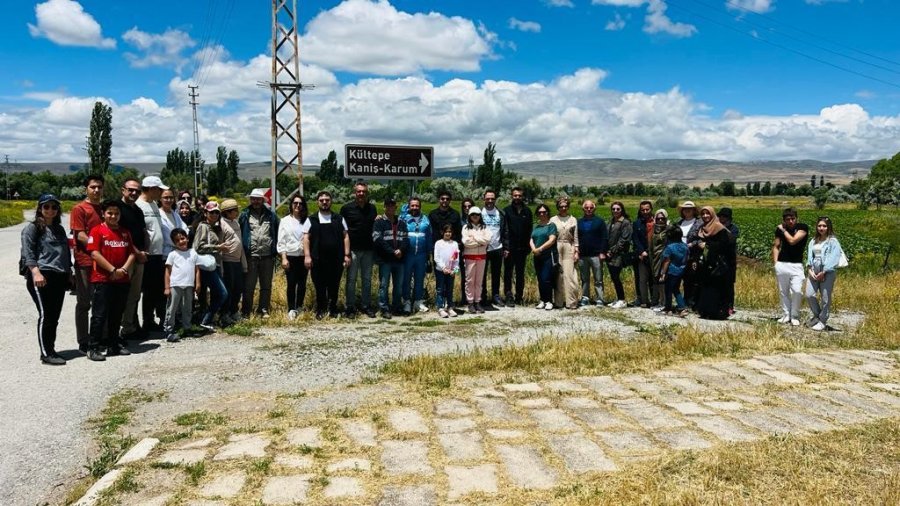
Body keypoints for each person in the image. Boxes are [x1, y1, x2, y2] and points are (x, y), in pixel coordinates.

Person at [22, 194, 73, 365]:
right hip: (41, 275)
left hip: (59, 276)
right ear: (40, 208)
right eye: (46, 207)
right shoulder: (33, 228)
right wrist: (35, 272)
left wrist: (69, 272)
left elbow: (65, 253)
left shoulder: (59, 229)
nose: (50, 210)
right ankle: (46, 353)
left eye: (54, 207)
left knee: (54, 316)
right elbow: (28, 252)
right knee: (46, 315)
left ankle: (51, 349)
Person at [86, 199, 135, 361]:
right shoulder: (96, 231)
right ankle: (93, 347)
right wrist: (112, 270)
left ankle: (113, 344)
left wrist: (123, 270)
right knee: (99, 315)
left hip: (122, 279)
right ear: (103, 214)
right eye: (110, 213)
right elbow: (94, 253)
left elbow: (132, 253)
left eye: (116, 213)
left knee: (116, 314)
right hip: (102, 279)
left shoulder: (125, 232)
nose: (113, 216)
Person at [70, 174, 104, 353]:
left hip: (103, 263)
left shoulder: (104, 209)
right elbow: (80, 235)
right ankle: (83, 340)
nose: (96, 190)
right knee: (84, 302)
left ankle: (99, 337)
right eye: (93, 187)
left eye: (99, 187)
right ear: (86, 189)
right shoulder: (80, 209)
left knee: (101, 301)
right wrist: (97, 247)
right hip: (85, 261)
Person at [303, 191, 351, 319]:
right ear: (317, 202)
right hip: (317, 259)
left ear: (331, 201)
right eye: (322, 200)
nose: (324, 202)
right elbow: (306, 238)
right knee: (319, 285)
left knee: (334, 285)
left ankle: (333, 309)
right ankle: (321, 310)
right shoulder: (311, 219)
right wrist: (307, 256)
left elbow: (345, 236)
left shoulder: (339, 218)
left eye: (327, 200)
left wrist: (347, 255)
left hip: (336, 259)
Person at [239, 189, 280, 318]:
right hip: (251, 256)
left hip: (267, 256)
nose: (256, 201)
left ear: (263, 200)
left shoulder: (271, 216)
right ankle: (246, 311)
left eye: (258, 199)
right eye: (253, 199)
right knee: (249, 286)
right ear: (251, 200)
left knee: (266, 286)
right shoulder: (244, 215)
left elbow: (278, 231)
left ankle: (263, 309)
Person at [136, 176, 168, 333]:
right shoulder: (139, 205)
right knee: (147, 289)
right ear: (151, 189)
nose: (161, 192)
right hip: (148, 254)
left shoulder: (154, 204)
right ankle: (146, 321)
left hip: (158, 253)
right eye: (159, 189)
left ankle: (152, 319)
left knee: (156, 289)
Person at [118, 178, 149, 340]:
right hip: (124, 259)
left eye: (137, 190)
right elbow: (122, 236)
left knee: (135, 295)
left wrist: (145, 251)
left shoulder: (137, 210)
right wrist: (137, 252)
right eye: (130, 190)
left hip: (139, 258)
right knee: (122, 295)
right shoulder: (118, 209)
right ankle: (120, 328)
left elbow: (143, 232)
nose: (134, 193)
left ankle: (130, 327)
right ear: (123, 190)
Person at [341, 182, 378, 318]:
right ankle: (350, 307)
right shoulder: (346, 209)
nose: (361, 194)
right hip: (352, 251)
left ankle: (366, 305)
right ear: (354, 193)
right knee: (351, 280)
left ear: (367, 193)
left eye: (363, 191)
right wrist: (345, 253)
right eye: (359, 191)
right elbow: (343, 232)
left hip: (368, 250)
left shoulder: (372, 208)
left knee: (367, 280)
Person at [193, 201, 229, 329]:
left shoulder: (214, 227)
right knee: (222, 293)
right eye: (211, 212)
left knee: (216, 293)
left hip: (215, 265)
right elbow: (198, 247)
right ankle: (206, 320)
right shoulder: (203, 226)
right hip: (206, 266)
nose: (214, 215)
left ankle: (206, 318)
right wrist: (218, 247)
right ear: (205, 213)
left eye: (217, 212)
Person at [805, 217, 844, 331]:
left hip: (827, 272)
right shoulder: (813, 241)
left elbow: (834, 258)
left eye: (824, 226)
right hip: (814, 271)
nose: (821, 228)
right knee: (809, 294)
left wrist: (824, 271)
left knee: (825, 298)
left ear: (828, 227)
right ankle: (817, 316)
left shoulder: (833, 241)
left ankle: (822, 320)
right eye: (819, 226)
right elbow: (809, 257)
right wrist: (810, 270)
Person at [694, 206, 733, 320]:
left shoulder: (719, 228)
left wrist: (707, 246)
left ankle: (718, 312)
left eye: (708, 214)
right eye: (703, 214)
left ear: (712, 215)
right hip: (706, 263)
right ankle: (706, 311)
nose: (705, 216)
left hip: (717, 264)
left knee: (717, 289)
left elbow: (723, 245)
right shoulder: (703, 228)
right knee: (706, 288)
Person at [772, 207, 809, 326]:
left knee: (797, 291)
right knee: (783, 292)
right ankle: (786, 315)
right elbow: (776, 246)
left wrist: (783, 230)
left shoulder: (803, 228)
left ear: (797, 218)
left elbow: (793, 241)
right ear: (784, 220)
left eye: (793, 218)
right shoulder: (779, 230)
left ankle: (795, 315)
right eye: (788, 219)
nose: (791, 221)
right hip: (782, 264)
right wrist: (776, 263)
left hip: (797, 265)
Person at [163, 228, 200, 343]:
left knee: (187, 307)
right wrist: (167, 287)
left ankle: (187, 327)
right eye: (177, 240)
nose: (181, 241)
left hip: (189, 285)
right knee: (172, 308)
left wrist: (197, 283)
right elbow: (168, 272)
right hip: (175, 285)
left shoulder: (193, 252)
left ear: (187, 239)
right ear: (174, 243)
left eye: (183, 238)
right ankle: (169, 330)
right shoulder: (172, 254)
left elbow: (197, 269)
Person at [373, 197, 408, 318]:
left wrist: (401, 250)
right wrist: (392, 251)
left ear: (396, 207)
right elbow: (377, 239)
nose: (390, 208)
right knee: (384, 285)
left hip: (399, 259)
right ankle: (384, 308)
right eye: (388, 205)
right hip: (385, 259)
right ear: (384, 207)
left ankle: (397, 306)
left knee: (398, 286)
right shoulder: (379, 222)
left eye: (392, 205)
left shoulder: (401, 223)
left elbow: (405, 239)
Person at [277, 195, 310, 320]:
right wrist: (284, 258)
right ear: (291, 205)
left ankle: (299, 306)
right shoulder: (284, 221)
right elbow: (281, 241)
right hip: (290, 256)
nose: (298, 205)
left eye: (300, 203)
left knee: (302, 283)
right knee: (291, 284)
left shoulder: (307, 220)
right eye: (295, 203)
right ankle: (291, 308)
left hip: (303, 256)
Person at [428, 190, 462, 311]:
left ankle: (449, 305)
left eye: (447, 199)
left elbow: (458, 232)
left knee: (449, 285)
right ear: (439, 200)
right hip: (438, 252)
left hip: (452, 252)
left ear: (450, 200)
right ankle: (440, 306)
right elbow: (429, 232)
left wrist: (455, 268)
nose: (445, 201)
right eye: (443, 198)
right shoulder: (432, 214)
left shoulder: (455, 215)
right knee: (440, 284)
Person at [400, 197, 433, 313]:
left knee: (420, 278)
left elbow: (429, 237)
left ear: (420, 207)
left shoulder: (426, 219)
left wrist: (429, 255)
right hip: (408, 254)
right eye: (412, 205)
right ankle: (407, 301)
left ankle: (418, 301)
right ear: (409, 207)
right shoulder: (404, 219)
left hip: (421, 255)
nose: (414, 208)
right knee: (406, 279)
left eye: (417, 206)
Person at [502, 187, 532, 307]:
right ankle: (508, 296)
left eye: (519, 195)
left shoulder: (527, 211)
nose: (517, 198)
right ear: (512, 196)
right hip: (510, 248)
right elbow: (504, 230)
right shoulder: (506, 211)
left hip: (523, 248)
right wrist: (505, 247)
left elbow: (530, 229)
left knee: (520, 273)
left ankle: (519, 296)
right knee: (508, 273)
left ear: (522, 197)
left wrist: (529, 246)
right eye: (515, 195)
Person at [219, 199, 247, 324]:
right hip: (227, 260)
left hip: (237, 261)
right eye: (235, 210)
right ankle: (225, 314)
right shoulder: (221, 224)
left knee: (238, 288)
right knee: (228, 288)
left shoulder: (236, 223)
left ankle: (234, 311)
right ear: (228, 212)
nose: (237, 212)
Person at [480, 190, 508, 308]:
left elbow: (505, 231)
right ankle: (483, 297)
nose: (490, 201)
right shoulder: (479, 213)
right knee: (482, 274)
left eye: (492, 198)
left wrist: (506, 247)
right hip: (483, 248)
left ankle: (496, 296)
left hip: (498, 248)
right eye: (488, 198)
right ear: (484, 199)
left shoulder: (500, 213)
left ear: (495, 199)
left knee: (496, 274)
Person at [577, 199, 608, 307]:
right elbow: (576, 238)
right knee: (584, 279)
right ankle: (585, 297)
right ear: (583, 208)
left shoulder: (600, 221)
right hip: (582, 255)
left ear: (594, 208)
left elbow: (604, 238)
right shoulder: (579, 222)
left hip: (596, 255)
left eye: (591, 207)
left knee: (598, 279)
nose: (589, 209)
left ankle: (600, 298)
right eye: (586, 207)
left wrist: (602, 252)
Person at [550, 197, 579, 310]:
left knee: (569, 274)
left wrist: (576, 251)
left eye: (565, 206)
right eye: (561, 206)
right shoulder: (553, 219)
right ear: (558, 207)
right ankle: (558, 302)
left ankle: (571, 302)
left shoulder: (573, 219)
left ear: (568, 206)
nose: (563, 208)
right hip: (556, 245)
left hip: (569, 246)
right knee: (558, 274)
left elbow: (576, 237)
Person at [462, 206, 491, 313]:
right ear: (469, 216)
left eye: (477, 215)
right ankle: (470, 302)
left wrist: (474, 238)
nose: (475, 216)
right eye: (473, 214)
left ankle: (477, 301)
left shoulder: (484, 227)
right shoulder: (466, 227)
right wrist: (480, 242)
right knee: (470, 281)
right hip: (469, 257)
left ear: (480, 216)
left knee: (479, 281)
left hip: (482, 257)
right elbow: (466, 242)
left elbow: (488, 239)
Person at [530, 203, 558, 310]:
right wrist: (534, 249)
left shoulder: (551, 225)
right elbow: (531, 239)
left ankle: (549, 301)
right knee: (540, 278)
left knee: (547, 278)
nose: (542, 214)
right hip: (537, 255)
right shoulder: (535, 226)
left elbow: (552, 240)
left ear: (547, 213)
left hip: (547, 255)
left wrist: (540, 249)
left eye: (544, 212)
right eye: (540, 212)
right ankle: (542, 300)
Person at [675, 201, 702, 308]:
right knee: (678, 279)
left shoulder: (699, 223)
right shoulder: (679, 222)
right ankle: (681, 302)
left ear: (694, 210)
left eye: (690, 208)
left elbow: (702, 238)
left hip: (692, 255)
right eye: (685, 208)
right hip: (678, 254)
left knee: (690, 280)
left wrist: (692, 244)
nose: (687, 210)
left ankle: (690, 302)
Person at [606, 201, 632, 309]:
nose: (615, 211)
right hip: (609, 254)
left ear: (622, 210)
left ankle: (622, 299)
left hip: (618, 254)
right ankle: (618, 298)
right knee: (613, 277)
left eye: (618, 209)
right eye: (614, 209)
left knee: (616, 276)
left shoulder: (625, 223)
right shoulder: (611, 221)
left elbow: (624, 240)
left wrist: (612, 251)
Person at [659, 227, 689, 316]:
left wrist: (663, 273)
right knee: (676, 289)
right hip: (681, 271)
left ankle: (669, 308)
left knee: (668, 290)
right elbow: (687, 258)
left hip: (671, 271)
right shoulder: (685, 246)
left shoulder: (670, 247)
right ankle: (680, 307)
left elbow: (666, 261)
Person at [434, 224, 460, 318]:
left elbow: (456, 259)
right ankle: (440, 308)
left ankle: (450, 307)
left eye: (450, 232)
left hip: (451, 271)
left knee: (450, 289)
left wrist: (455, 270)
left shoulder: (455, 244)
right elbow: (436, 258)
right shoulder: (438, 243)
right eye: (446, 232)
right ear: (442, 232)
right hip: (440, 271)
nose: (448, 234)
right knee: (440, 289)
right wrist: (443, 268)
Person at [717, 207, 740, 315]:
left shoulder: (733, 228)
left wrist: (723, 228)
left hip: (729, 260)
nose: (722, 218)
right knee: (719, 283)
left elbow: (732, 239)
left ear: (729, 218)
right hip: (718, 259)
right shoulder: (716, 227)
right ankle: (719, 304)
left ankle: (730, 306)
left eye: (724, 217)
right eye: (720, 216)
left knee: (729, 284)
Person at [632, 201, 653, 308]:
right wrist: (641, 251)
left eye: (647, 209)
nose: (645, 211)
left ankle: (655, 300)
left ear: (651, 209)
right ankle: (643, 300)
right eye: (643, 210)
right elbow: (635, 239)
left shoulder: (657, 221)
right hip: (641, 255)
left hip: (654, 254)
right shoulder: (636, 223)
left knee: (653, 279)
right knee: (642, 279)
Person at [649, 209, 672, 310]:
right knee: (657, 280)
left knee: (663, 280)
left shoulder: (669, 230)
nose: (660, 220)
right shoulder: (653, 229)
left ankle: (664, 303)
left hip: (664, 258)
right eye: (658, 218)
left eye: (663, 218)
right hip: (654, 258)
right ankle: (660, 301)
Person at [457, 198, 475, 307]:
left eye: (469, 206)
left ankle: (475, 298)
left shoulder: (476, 219)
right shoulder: (460, 220)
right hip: (463, 251)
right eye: (465, 206)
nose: (467, 208)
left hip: (475, 251)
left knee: (475, 276)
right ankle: (464, 298)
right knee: (465, 276)